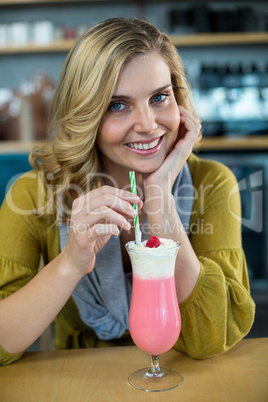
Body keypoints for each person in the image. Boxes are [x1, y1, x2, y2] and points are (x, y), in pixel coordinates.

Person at [0, 17, 255, 365]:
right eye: (117, 105)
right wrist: (70, 263)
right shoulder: (34, 195)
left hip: (182, 376)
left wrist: (161, 197)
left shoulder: (214, 183)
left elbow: (214, 336)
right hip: (82, 380)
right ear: (85, 113)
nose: (148, 125)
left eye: (159, 97)